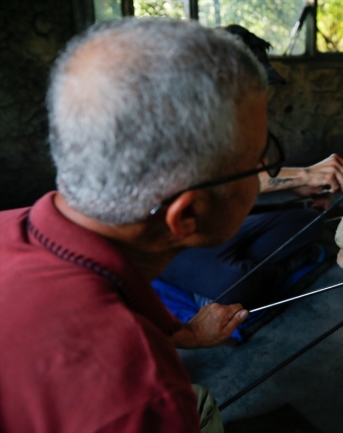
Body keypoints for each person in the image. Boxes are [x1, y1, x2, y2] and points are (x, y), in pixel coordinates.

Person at [0, 19, 274, 432]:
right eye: (258, 161)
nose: (262, 172)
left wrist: (188, 336)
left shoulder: (12, 228)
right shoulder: (144, 399)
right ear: (185, 216)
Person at [154, 25, 343, 326]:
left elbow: (253, 177)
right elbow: (216, 181)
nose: (260, 96)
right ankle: (261, 272)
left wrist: (296, 188)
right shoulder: (177, 118)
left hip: (225, 228)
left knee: (310, 222)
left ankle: (227, 276)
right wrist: (303, 175)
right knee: (236, 282)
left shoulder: (243, 120)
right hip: (180, 236)